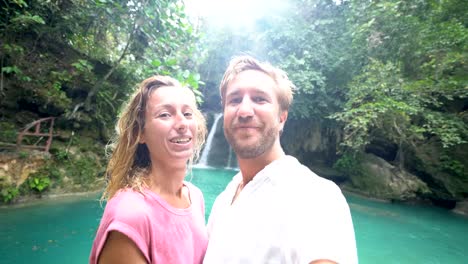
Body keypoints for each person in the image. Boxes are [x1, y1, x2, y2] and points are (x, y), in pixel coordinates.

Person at [203, 56, 358, 264]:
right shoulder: (225, 198)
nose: (245, 111)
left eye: (260, 99)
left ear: (281, 118)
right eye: (234, 100)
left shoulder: (317, 197)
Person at [89, 75, 208, 264]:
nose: (182, 124)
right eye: (165, 115)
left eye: (187, 114)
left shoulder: (195, 197)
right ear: (140, 133)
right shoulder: (131, 215)